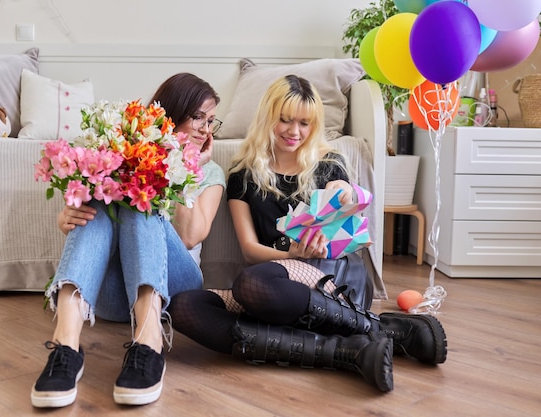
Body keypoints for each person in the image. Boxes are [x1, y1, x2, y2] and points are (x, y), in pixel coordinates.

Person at [169, 74, 447, 393]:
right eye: (285, 120)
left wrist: (346, 195)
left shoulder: (328, 164)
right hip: (278, 286)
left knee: (251, 284)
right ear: (267, 118)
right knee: (183, 306)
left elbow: (343, 192)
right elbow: (249, 249)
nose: (294, 132)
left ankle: (375, 328)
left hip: (335, 280)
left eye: (304, 123)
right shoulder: (242, 175)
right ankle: (351, 351)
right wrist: (292, 255)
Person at [31, 73, 226, 408]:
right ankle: (65, 347)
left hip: (175, 287)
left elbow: (192, 234)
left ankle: (148, 343)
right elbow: (84, 225)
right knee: (106, 189)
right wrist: (66, 218)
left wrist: (181, 168)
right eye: (198, 117)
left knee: (142, 193)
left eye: (211, 121)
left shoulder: (211, 172)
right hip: (112, 297)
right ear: (172, 113)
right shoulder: (126, 154)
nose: (205, 129)